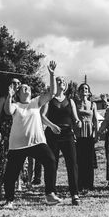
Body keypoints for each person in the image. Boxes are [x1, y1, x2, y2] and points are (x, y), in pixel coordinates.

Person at [2, 61, 61, 209]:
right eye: (22, 88)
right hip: (17, 145)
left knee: (50, 160)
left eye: (27, 87)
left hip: (37, 143)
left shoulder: (36, 102)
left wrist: (52, 74)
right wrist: (9, 96)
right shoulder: (16, 105)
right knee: (11, 174)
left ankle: (49, 194)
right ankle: (9, 200)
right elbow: (8, 111)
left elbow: (52, 93)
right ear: (18, 93)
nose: (26, 87)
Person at [42, 75, 81, 205]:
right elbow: (42, 117)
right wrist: (52, 126)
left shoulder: (70, 101)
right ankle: (50, 193)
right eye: (58, 81)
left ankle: (74, 194)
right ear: (54, 84)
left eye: (63, 81)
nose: (61, 83)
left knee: (72, 163)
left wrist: (78, 121)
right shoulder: (49, 100)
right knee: (52, 163)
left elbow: (75, 118)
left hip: (67, 134)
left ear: (65, 86)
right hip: (52, 133)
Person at [0, 78, 20, 199]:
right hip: (4, 131)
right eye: (14, 83)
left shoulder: (20, 100)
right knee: (1, 159)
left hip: (17, 131)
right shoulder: (3, 98)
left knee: (17, 158)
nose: (17, 85)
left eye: (18, 83)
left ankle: (17, 183)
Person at [75, 83, 98, 191]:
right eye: (82, 89)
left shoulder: (93, 104)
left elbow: (95, 120)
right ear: (79, 91)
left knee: (89, 159)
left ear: (89, 92)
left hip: (89, 133)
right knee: (80, 159)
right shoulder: (75, 103)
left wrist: (97, 133)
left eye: (86, 88)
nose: (84, 90)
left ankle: (89, 184)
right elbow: (72, 118)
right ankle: (80, 183)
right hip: (79, 133)